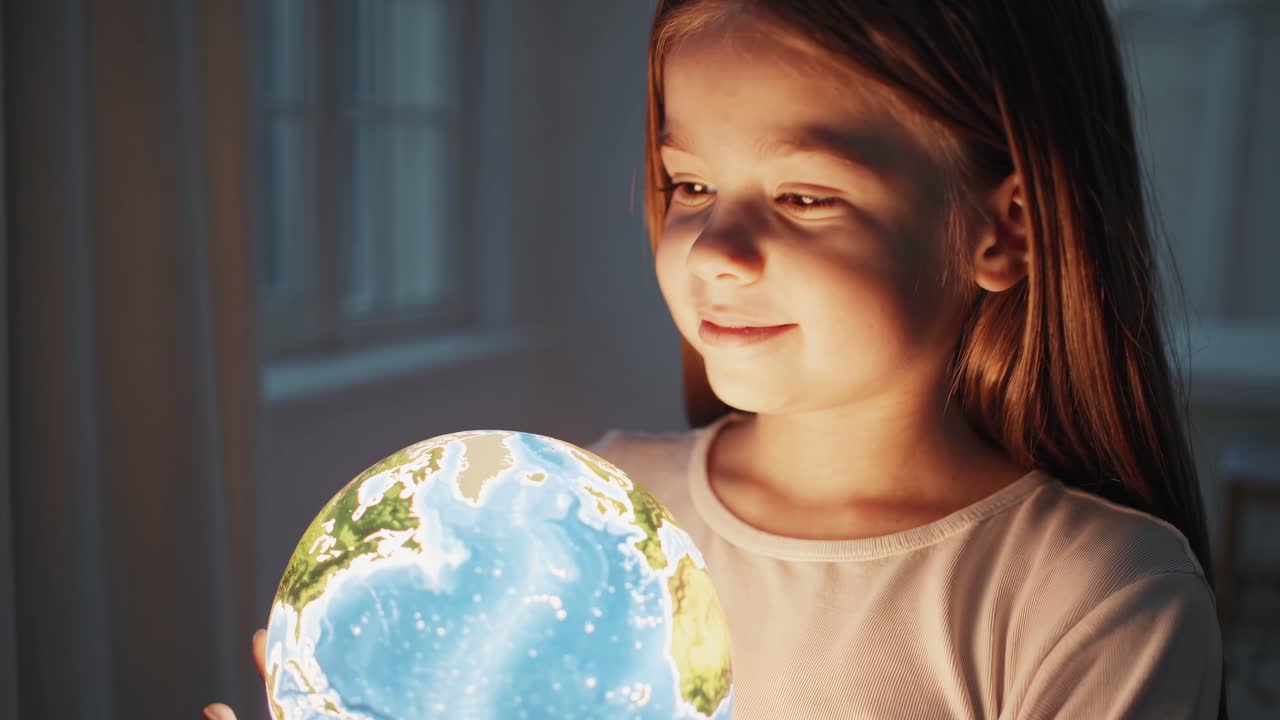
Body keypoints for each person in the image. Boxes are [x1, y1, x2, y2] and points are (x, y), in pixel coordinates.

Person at [206, 1, 1227, 718]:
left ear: (1003, 232)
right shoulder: (580, 525)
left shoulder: (1094, 596)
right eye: (687, 186)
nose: (716, 251)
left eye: (803, 196)